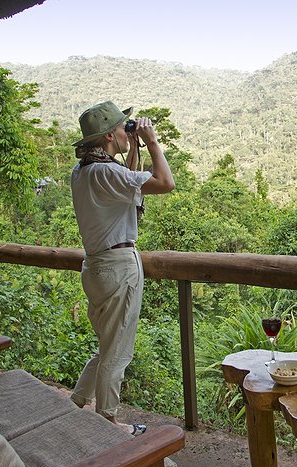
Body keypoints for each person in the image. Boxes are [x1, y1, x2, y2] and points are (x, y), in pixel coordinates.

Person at [69, 100, 175, 435]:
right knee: (118, 351)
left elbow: (126, 183)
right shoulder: (106, 172)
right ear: (109, 137)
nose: (127, 130)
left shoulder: (84, 171)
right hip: (118, 267)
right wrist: (153, 141)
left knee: (107, 346)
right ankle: (108, 421)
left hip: (96, 268)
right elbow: (164, 182)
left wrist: (133, 147)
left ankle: (76, 402)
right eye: (123, 127)